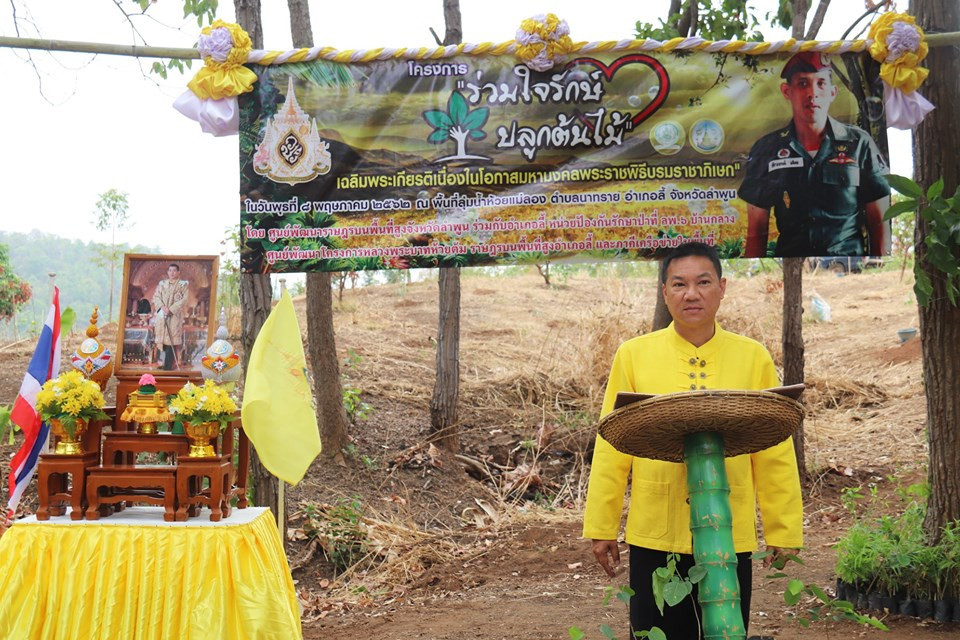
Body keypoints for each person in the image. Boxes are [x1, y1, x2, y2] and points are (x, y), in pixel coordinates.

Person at [583, 241, 803, 639]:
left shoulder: (753, 357)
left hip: (728, 532)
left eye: (703, 282)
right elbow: (611, 446)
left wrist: (783, 530)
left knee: (725, 631)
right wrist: (602, 525)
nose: (692, 293)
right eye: (679, 284)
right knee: (655, 632)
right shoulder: (634, 355)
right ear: (664, 292)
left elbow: (774, 451)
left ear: (722, 286)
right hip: (655, 531)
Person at [738, 51, 890, 257]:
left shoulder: (859, 143)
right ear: (786, 91)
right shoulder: (767, 148)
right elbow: (757, 231)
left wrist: (878, 271)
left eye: (820, 84)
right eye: (802, 84)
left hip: (849, 269)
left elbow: (878, 221)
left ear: (833, 92)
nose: (812, 93)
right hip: (790, 270)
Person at [153, 263, 189, 370]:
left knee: (171, 340)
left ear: (178, 272)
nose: (172, 273)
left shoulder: (183, 285)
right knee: (163, 340)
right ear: (167, 272)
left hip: (174, 316)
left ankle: (169, 366)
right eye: (170, 270)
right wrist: (162, 307)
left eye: (174, 270)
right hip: (162, 315)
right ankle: (164, 363)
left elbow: (184, 300)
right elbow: (156, 297)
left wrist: (171, 309)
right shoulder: (162, 284)